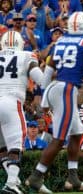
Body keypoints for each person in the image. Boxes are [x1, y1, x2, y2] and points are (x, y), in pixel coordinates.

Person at [26, 12, 83, 194]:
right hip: (66, 91)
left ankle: (73, 176)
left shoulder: (60, 42)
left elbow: (47, 73)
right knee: (59, 139)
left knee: (76, 133)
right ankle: (36, 176)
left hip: (55, 88)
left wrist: (45, 96)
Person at [0, 30, 44, 194]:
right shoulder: (26, 55)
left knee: (2, 148)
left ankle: (14, 182)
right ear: (21, 43)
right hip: (11, 101)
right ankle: (11, 184)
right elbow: (38, 77)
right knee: (16, 146)